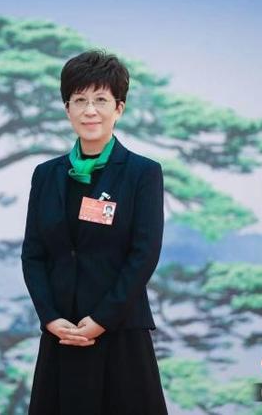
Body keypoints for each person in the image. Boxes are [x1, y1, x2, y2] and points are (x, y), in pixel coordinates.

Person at [22, 49, 168, 415]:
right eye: (80, 100)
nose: (90, 110)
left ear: (119, 108)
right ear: (67, 109)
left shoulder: (142, 173)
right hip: (62, 333)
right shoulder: (46, 174)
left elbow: (144, 254)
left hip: (120, 333)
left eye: (101, 100)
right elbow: (33, 255)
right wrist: (50, 318)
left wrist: (102, 320)